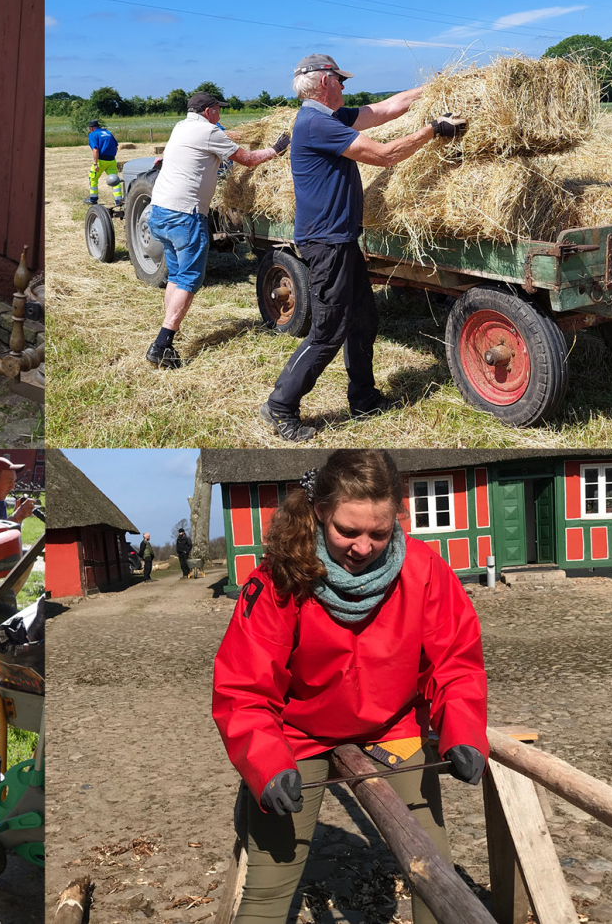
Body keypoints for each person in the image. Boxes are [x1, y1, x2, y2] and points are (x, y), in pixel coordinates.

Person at [212, 449, 487, 924]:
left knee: (435, 871)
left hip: (393, 727)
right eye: (348, 531)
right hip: (299, 736)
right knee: (268, 889)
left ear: (397, 520)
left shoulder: (425, 570)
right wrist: (266, 762)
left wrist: (463, 730)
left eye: (379, 533)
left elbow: (456, 661)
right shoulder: (280, 576)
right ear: (320, 513)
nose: (363, 546)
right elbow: (244, 686)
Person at [260, 54, 466, 441]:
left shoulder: (329, 117)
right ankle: (280, 406)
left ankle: (364, 397)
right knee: (328, 330)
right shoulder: (317, 123)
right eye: (341, 79)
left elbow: (387, 108)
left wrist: (436, 88)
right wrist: (432, 132)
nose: (345, 86)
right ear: (324, 82)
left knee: (363, 318)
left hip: (341, 239)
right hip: (326, 243)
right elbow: (386, 156)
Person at [144, 92, 284, 370]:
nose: (221, 113)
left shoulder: (182, 126)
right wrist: (276, 149)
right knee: (189, 279)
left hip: (160, 212)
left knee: (176, 274)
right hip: (185, 215)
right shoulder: (208, 132)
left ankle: (167, 332)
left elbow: (218, 142)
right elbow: (249, 159)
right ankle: (162, 343)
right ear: (208, 111)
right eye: (219, 109)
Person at [87, 119, 121, 205]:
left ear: (91, 128)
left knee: (93, 178)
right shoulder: (108, 133)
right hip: (112, 160)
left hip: (101, 160)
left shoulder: (93, 134)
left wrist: (95, 163)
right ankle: (118, 200)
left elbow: (95, 149)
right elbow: (116, 147)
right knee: (115, 180)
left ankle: (93, 199)